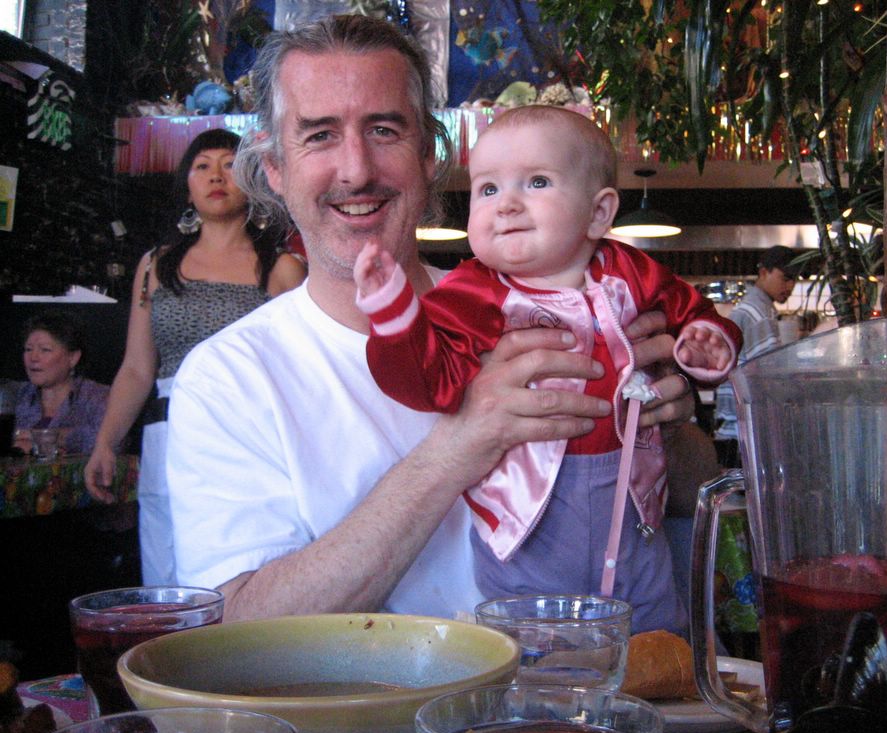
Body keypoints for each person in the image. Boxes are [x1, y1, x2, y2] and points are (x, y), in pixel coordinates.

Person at [164, 14, 695, 622]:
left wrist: (662, 427)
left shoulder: (556, 305)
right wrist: (455, 449)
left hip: (594, 675)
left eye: (384, 130)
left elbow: (690, 494)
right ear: (275, 168)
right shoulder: (229, 376)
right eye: (319, 135)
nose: (357, 170)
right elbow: (234, 624)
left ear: (428, 156)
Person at [352, 105, 741, 633]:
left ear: (599, 213)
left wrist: (706, 342)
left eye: (536, 182)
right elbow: (426, 382)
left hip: (635, 496)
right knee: (532, 636)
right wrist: (396, 314)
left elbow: (692, 312)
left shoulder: (631, 273)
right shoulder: (472, 294)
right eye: (488, 189)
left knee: (654, 625)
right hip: (529, 513)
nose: (506, 204)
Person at [84, 128, 306, 585]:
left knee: (247, 568)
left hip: (249, 435)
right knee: (168, 576)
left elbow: (302, 372)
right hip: (168, 434)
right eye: (202, 166)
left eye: (230, 165)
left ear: (253, 181)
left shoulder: (283, 268)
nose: (216, 176)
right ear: (187, 186)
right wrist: (107, 442)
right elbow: (137, 368)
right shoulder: (156, 265)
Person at [714, 245, 799, 467]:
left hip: (733, 427)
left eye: (794, 279)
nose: (790, 286)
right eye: (785, 278)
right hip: (743, 429)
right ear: (763, 272)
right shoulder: (758, 314)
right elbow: (769, 377)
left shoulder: (753, 308)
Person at [12, 310, 109, 456]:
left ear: (73, 357)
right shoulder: (16, 395)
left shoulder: (98, 397)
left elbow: (113, 441)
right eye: (28, 349)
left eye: (45, 350)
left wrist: (39, 438)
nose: (33, 357)